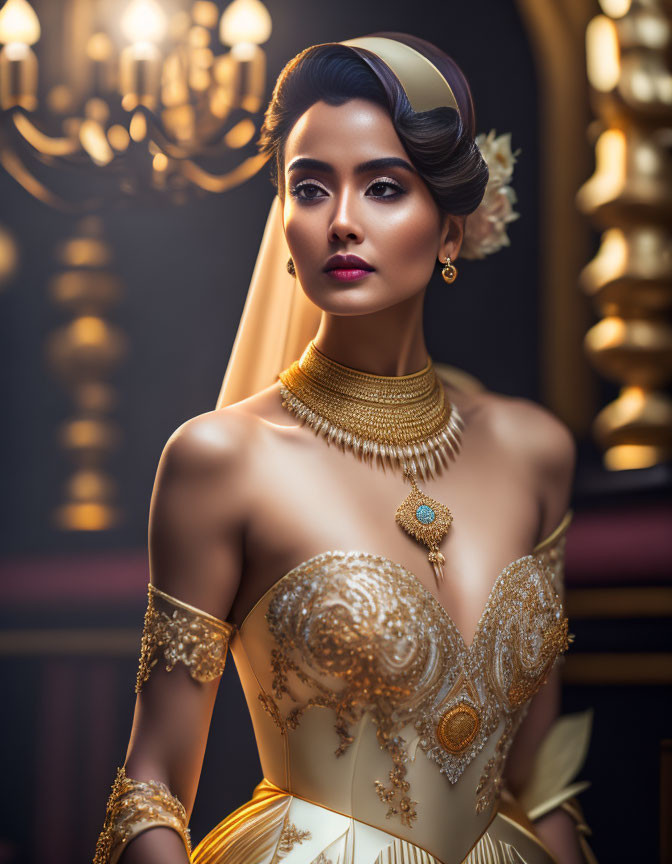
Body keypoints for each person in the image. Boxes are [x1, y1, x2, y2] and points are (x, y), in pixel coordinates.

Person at [94, 33, 596, 864]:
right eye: (310, 188)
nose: (342, 222)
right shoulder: (220, 460)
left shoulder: (533, 451)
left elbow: (542, 777)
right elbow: (150, 784)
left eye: (386, 187)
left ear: (449, 230)